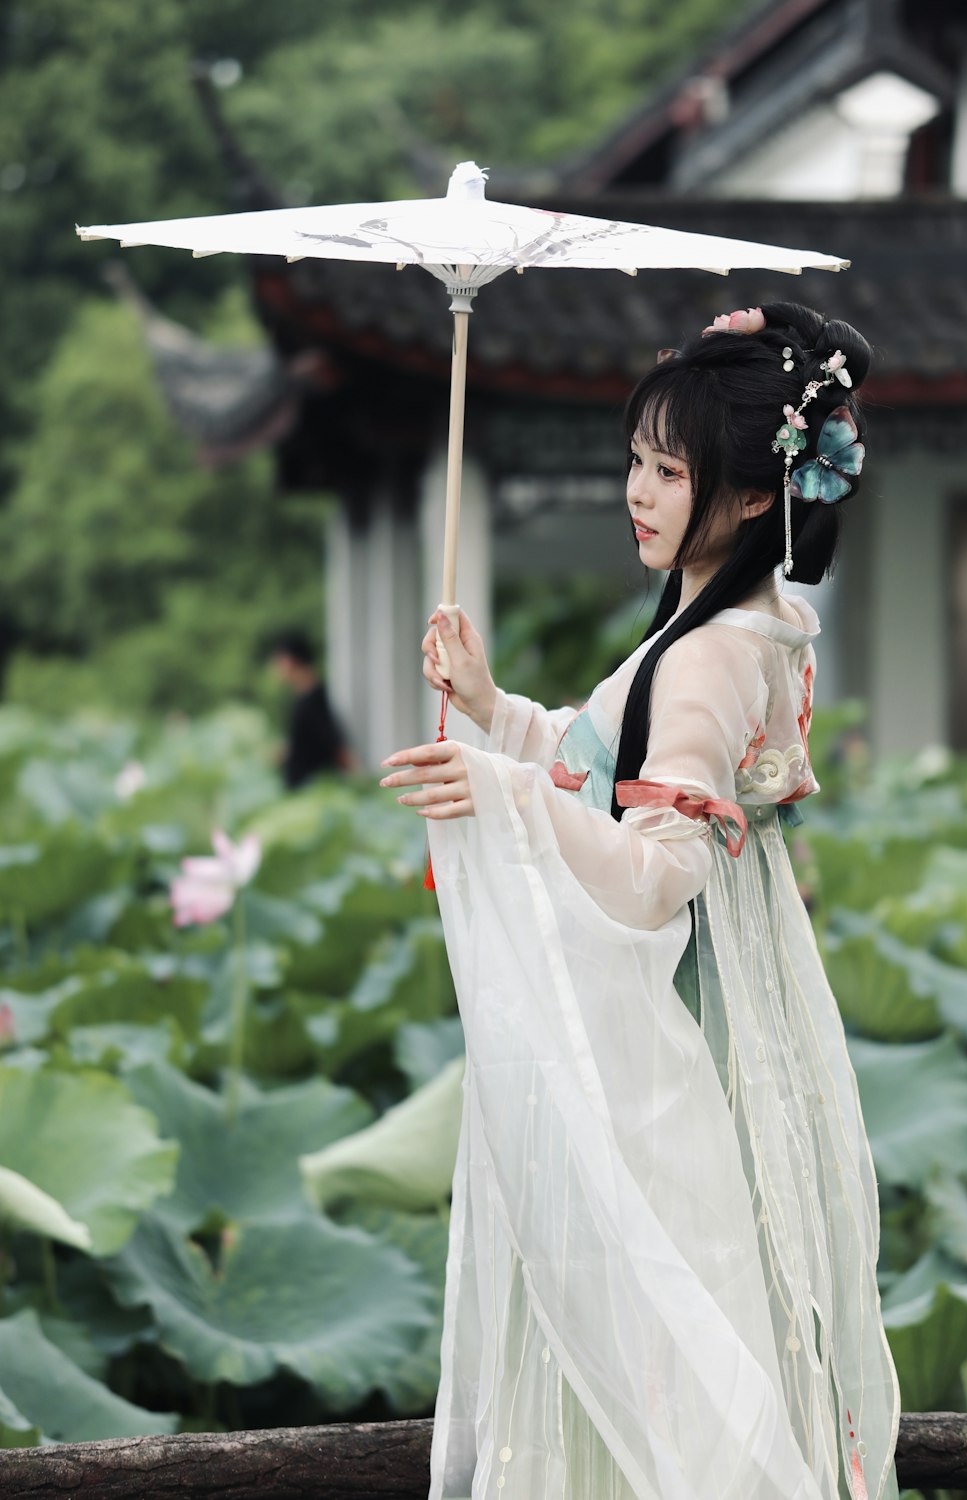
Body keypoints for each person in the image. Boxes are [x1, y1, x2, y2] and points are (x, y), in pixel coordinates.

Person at [381, 302, 899, 1500]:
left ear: (754, 494)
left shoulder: (714, 648)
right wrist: (499, 709)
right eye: (637, 460)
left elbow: (658, 873)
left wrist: (505, 792)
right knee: (679, 1325)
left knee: (666, 1328)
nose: (639, 491)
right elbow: (607, 772)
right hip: (704, 1013)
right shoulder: (719, 615)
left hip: (678, 1030)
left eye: (671, 470)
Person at [268, 630, 356, 788]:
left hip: (313, 789)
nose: (277, 667)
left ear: (290, 661)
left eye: (279, 661)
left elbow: (333, 741)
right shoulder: (303, 696)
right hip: (305, 787)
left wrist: (356, 778)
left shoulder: (314, 698)